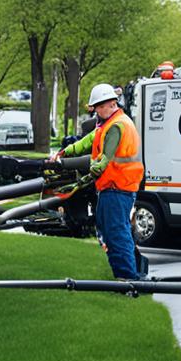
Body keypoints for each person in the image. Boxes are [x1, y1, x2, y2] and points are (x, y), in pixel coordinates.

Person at [49, 83, 144, 280]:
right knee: (112, 230)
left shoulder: (117, 127)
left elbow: (101, 163)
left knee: (116, 233)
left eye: (101, 106)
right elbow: (87, 141)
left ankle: (127, 279)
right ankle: (127, 275)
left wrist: (77, 182)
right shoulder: (109, 124)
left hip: (117, 188)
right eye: (96, 107)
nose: (98, 111)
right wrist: (63, 153)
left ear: (112, 103)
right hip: (114, 188)